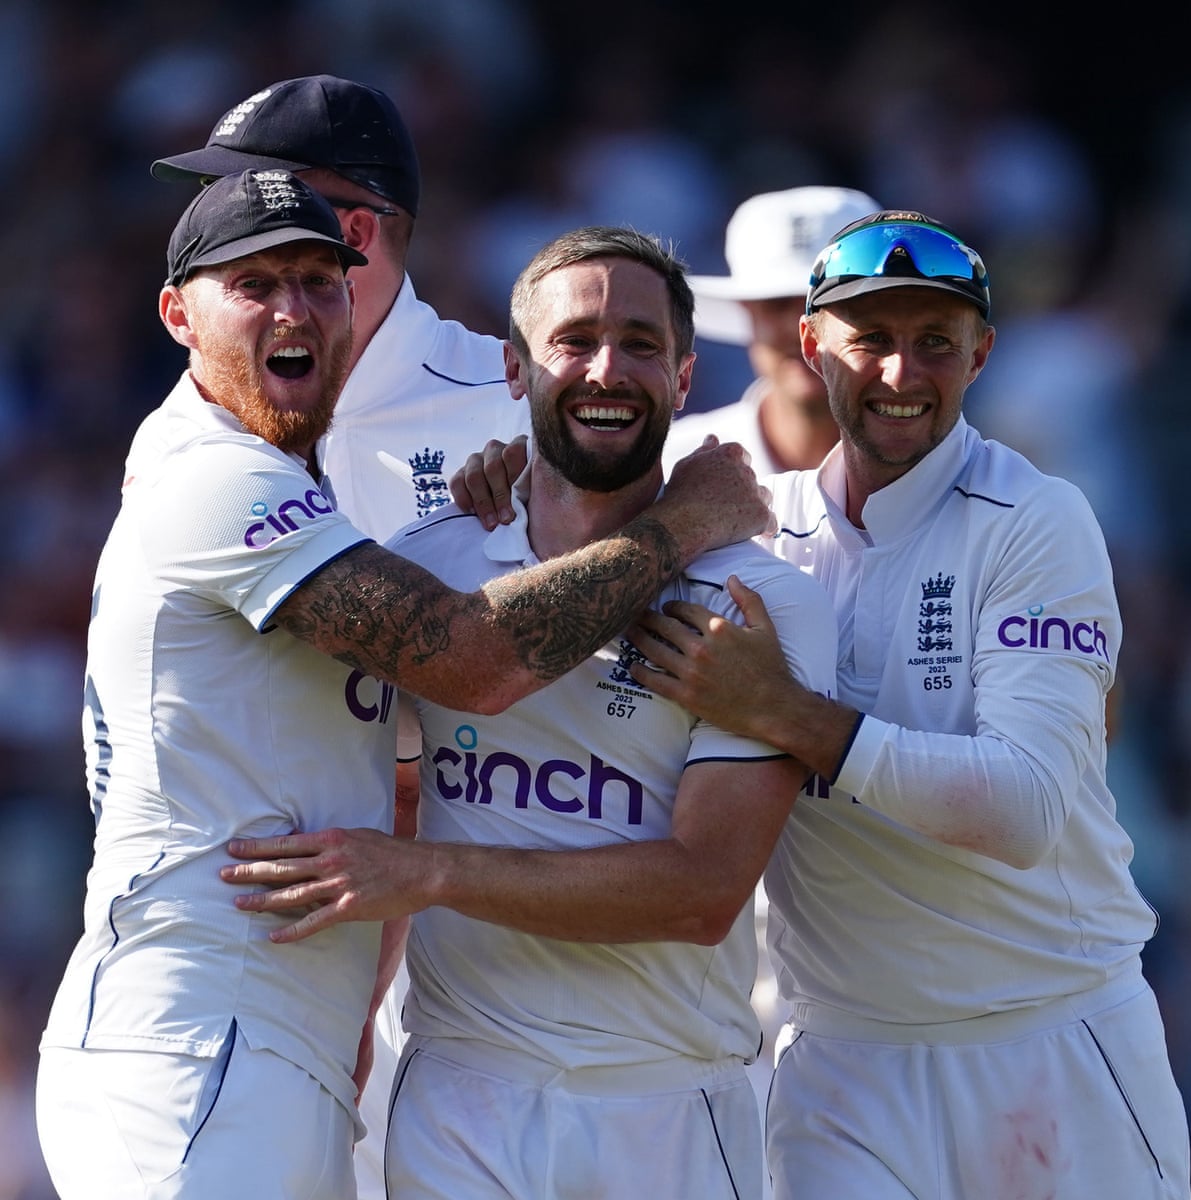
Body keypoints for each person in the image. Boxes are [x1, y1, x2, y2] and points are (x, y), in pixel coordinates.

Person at [34, 174, 771, 1200]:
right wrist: (680, 522)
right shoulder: (215, 477)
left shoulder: (299, 487)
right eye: (254, 285)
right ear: (176, 314)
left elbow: (400, 787)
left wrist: (507, 504)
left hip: (277, 1042)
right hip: (196, 1036)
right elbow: (474, 659)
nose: (295, 309)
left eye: (319, 280)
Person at [218, 225, 839, 1199]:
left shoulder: (759, 597)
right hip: (462, 1097)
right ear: (513, 368)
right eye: (574, 340)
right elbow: (399, 799)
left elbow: (703, 892)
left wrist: (424, 875)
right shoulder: (433, 565)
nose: (607, 368)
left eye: (640, 344)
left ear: (684, 378)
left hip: (667, 1106)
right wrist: (343, 1023)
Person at [624, 211, 1191, 1198]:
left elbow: (1022, 809)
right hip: (841, 1060)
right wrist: (493, 477)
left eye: (935, 342)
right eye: (870, 339)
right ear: (812, 346)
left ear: (982, 355)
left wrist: (788, 715)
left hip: (1052, 1038)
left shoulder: (1036, 519)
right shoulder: (758, 534)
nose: (901, 373)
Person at [151, 74, 533, 1194]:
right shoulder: (199, 414)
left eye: (275, 203)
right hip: (261, 944)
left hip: (482, 943)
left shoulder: (512, 395)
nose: (238, 226)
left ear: (358, 231)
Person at [151, 72, 527, 539]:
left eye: (256, 193)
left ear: (352, 236)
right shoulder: (188, 422)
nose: (220, 212)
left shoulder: (522, 406)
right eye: (212, 191)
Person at [663, 185, 879, 477]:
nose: (802, 329)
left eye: (828, 304)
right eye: (777, 305)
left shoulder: (943, 468)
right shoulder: (669, 467)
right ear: (746, 312)